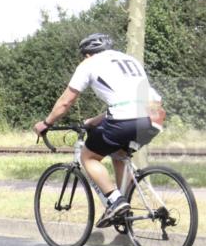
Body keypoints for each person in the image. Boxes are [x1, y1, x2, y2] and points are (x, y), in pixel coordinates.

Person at [34, 33, 163, 228]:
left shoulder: (89, 64)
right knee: (119, 154)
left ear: (87, 54)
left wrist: (46, 122)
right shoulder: (129, 60)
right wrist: (94, 121)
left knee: (89, 157)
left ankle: (116, 201)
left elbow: (66, 101)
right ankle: (124, 213)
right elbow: (130, 102)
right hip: (154, 118)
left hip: (127, 118)